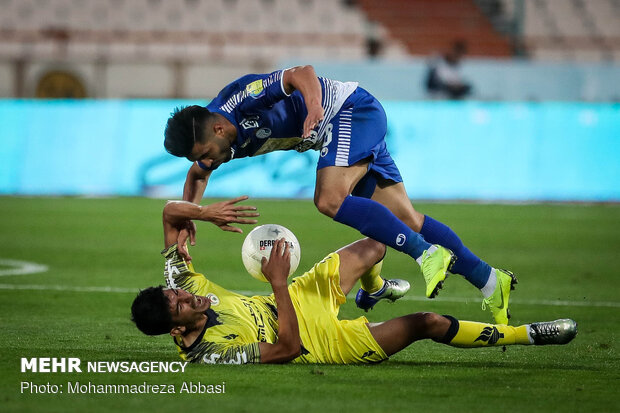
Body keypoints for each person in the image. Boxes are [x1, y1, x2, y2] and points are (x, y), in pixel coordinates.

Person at [162, 65, 514, 325]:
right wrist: (190, 215)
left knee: (328, 199)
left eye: (205, 151)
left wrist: (314, 107)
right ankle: (489, 280)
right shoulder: (216, 141)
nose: (206, 161)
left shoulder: (240, 100)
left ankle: (426, 255)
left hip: (349, 111)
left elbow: (301, 73)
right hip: (345, 128)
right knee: (408, 220)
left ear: (219, 128)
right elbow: (197, 175)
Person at [130, 199, 577, 365]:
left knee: (377, 242)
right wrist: (280, 284)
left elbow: (169, 213)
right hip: (320, 341)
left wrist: (202, 213)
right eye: (181, 305)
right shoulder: (209, 353)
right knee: (424, 322)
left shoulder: (182, 287)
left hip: (298, 295)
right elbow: (288, 349)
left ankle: (373, 290)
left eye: (178, 291)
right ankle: (528, 336)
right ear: (177, 329)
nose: (188, 296)